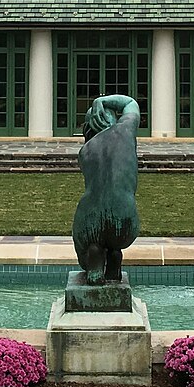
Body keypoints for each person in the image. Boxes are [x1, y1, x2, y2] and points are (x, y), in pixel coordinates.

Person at [72, 94, 141, 284]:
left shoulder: (85, 152)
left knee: (89, 244)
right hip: (126, 220)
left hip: (92, 220)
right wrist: (101, 101)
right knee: (115, 241)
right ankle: (114, 257)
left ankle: (94, 262)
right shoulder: (126, 130)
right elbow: (130, 103)